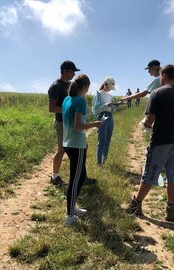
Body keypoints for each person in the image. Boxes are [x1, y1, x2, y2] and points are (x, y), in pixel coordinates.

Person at [126, 64, 174, 222]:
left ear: (163, 76)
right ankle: (170, 211)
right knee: (173, 176)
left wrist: (147, 126)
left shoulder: (156, 93)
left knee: (150, 174)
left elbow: (149, 120)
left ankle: (136, 204)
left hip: (161, 140)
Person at [62, 74, 103, 225]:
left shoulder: (68, 99)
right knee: (75, 180)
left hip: (68, 142)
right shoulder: (80, 100)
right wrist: (95, 124)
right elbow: (78, 126)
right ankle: (70, 216)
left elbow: (73, 120)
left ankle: (73, 207)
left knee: (79, 176)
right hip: (76, 144)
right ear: (85, 87)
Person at [48, 60, 80, 186]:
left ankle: (80, 176)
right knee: (61, 150)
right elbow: (52, 108)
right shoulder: (56, 86)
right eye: (73, 71)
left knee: (76, 148)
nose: (74, 74)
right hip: (61, 123)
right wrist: (68, 109)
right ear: (65, 71)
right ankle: (54, 177)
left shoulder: (70, 84)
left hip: (70, 122)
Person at [92, 77, 117, 165]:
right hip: (102, 117)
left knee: (108, 140)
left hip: (110, 117)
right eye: (109, 87)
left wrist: (115, 106)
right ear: (105, 84)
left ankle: (104, 161)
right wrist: (106, 105)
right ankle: (99, 162)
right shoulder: (98, 94)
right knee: (102, 141)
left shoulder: (110, 96)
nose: (110, 89)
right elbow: (95, 110)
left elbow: (111, 109)